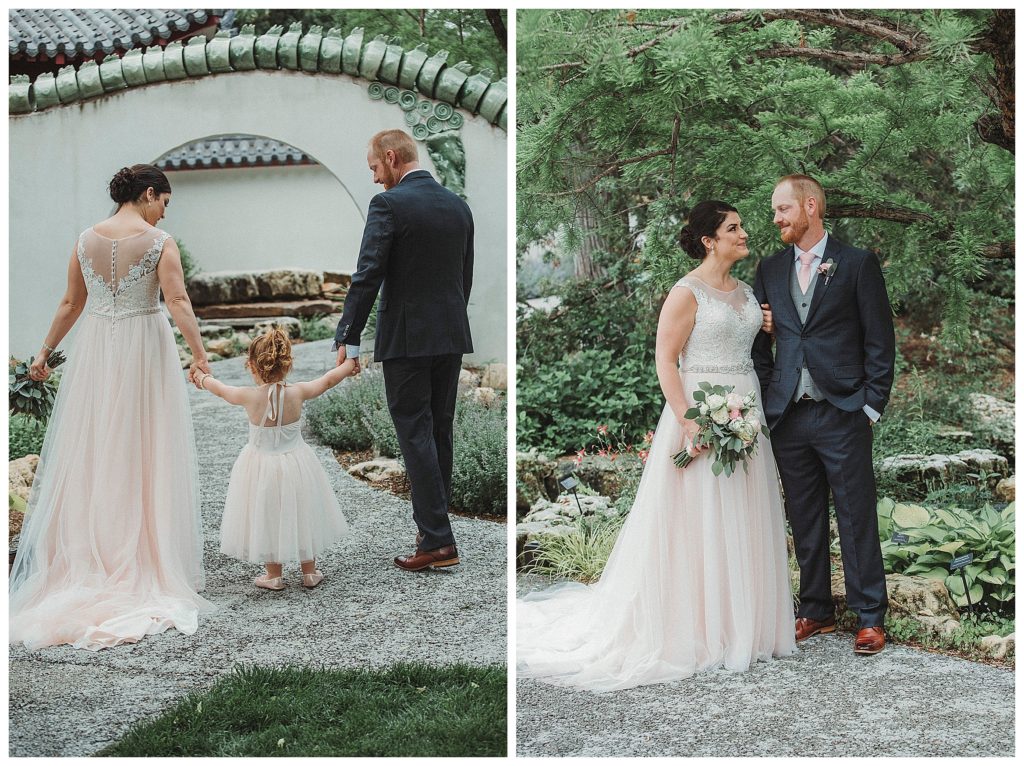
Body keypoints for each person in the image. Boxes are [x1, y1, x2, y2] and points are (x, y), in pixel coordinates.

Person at [517, 201, 796, 691]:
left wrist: (764, 323)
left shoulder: (749, 292)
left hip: (746, 414)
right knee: (699, 518)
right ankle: (698, 626)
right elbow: (666, 361)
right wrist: (691, 422)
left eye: (742, 226)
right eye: (734, 228)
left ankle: (743, 626)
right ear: (709, 240)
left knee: (744, 513)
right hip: (699, 411)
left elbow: (750, 336)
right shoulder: (686, 292)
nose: (745, 233)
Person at [10, 164, 213, 650]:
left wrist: (44, 352)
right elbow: (178, 299)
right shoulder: (160, 242)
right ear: (148, 194)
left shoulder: (85, 238)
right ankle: (141, 557)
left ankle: (95, 552)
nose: (165, 212)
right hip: (144, 344)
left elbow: (69, 304)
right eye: (165, 201)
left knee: (99, 446)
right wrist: (200, 354)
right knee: (146, 444)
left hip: (98, 349)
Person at [753, 174, 895, 655]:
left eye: (783, 209)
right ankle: (815, 609)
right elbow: (759, 342)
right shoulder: (770, 269)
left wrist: (870, 407)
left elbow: (880, 340)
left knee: (856, 517)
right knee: (804, 516)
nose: (776, 219)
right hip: (789, 416)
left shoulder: (856, 264)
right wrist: (770, 397)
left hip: (844, 412)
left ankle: (870, 617)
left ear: (810, 206)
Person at [333, 129, 474, 572]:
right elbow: (463, 278)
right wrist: (448, 322)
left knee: (415, 434)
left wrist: (348, 335)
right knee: (439, 432)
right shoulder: (458, 206)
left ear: (391, 158)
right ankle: (434, 530)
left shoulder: (388, 205)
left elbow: (367, 273)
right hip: (450, 335)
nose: (375, 179)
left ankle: (437, 540)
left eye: (375, 168)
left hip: (408, 340)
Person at [196, 327, 354, 590]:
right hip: (297, 463)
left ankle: (273, 575)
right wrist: (349, 364)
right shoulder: (298, 392)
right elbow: (327, 380)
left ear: (251, 366)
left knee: (267, 513)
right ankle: (310, 572)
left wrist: (202, 378)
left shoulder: (248, 396)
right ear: (288, 364)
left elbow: (222, 390)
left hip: (260, 466)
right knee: (301, 510)